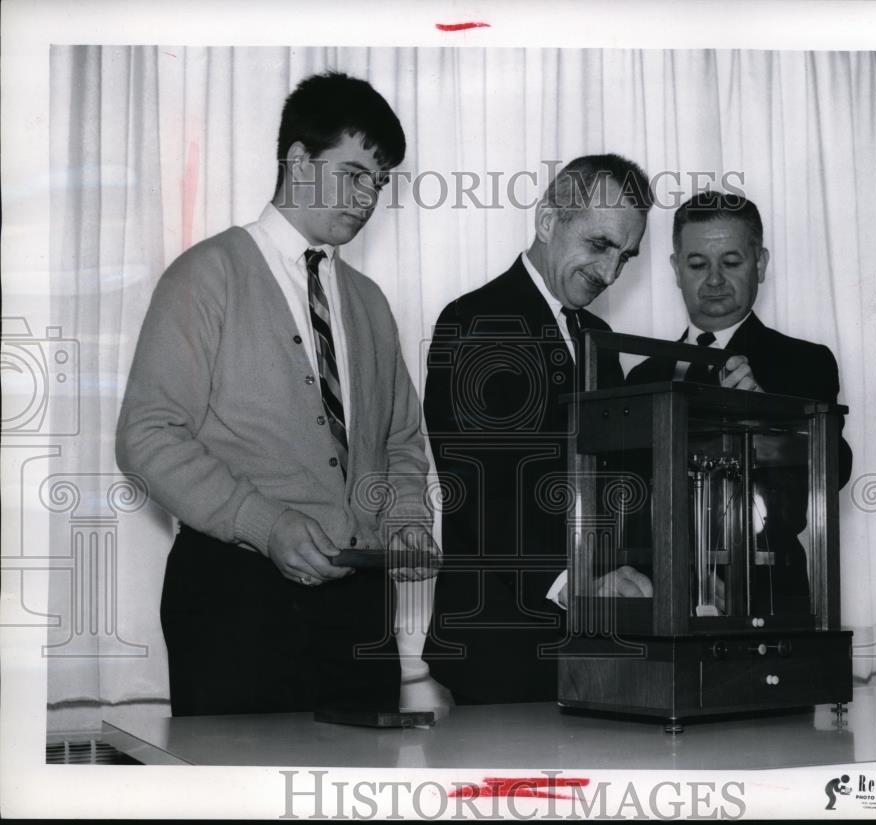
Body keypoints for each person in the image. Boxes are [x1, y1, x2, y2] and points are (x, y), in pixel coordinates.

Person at [116, 71, 441, 717]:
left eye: (378, 182)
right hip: (234, 602)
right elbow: (146, 436)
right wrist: (266, 526)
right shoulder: (206, 275)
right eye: (353, 174)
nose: (368, 196)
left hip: (359, 612)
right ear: (297, 160)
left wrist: (407, 519)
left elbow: (402, 440)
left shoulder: (371, 303)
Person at [423, 155, 654, 704]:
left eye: (625, 257)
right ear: (548, 220)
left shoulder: (600, 337)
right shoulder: (473, 320)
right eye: (600, 245)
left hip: (596, 640)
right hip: (500, 643)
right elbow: (478, 488)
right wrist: (572, 585)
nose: (609, 273)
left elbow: (616, 481)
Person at [627, 190, 852, 613]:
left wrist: (771, 416)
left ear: (760, 264)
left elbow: (834, 471)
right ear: (676, 269)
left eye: (731, 263)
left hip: (767, 597)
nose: (713, 280)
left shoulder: (804, 363)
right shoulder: (643, 376)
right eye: (697, 264)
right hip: (659, 602)